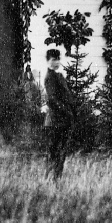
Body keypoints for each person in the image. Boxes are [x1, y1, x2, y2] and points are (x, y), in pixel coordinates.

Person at [43, 48, 77, 180]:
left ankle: (55, 179)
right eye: (53, 60)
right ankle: (50, 178)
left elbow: (66, 97)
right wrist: (67, 111)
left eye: (58, 59)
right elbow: (52, 100)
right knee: (54, 152)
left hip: (61, 121)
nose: (56, 62)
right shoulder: (50, 77)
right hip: (54, 121)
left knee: (60, 152)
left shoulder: (58, 76)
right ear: (48, 61)